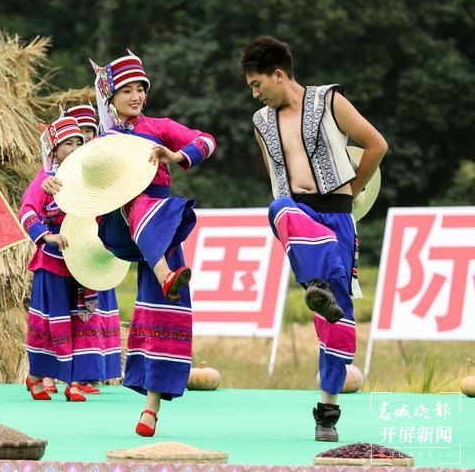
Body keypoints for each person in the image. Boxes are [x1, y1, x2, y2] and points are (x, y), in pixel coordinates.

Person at [49, 52, 217, 435]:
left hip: (162, 228)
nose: (137, 95)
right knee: (137, 201)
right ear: (111, 97)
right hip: (120, 229)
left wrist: (177, 155)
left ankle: (151, 408)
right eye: (127, 89)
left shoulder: (159, 127)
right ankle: (164, 272)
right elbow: (70, 175)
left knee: (159, 310)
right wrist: (54, 182)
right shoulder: (102, 143)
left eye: (141, 88)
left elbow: (206, 141)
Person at [239, 35, 388, 442]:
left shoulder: (328, 100)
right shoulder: (261, 122)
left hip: (338, 215)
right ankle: (318, 282)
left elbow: (376, 144)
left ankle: (327, 411)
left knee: (335, 317)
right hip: (299, 214)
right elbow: (276, 176)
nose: (254, 93)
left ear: (279, 74)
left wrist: (355, 187)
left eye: (257, 84)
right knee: (278, 209)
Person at [19, 115, 90, 402]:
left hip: (82, 259)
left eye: (78, 143)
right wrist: (46, 236)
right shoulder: (45, 180)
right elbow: (26, 211)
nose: (74, 149)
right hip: (52, 259)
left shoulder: (88, 177)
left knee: (81, 321)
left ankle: (75, 381)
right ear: (54, 149)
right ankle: (37, 375)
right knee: (50, 323)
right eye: (67, 144)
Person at [66, 104, 122, 390]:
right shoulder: (66, 171)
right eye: (78, 134)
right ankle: (77, 375)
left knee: (100, 310)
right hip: (75, 246)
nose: (84, 138)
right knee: (78, 314)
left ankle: (99, 371)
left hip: (98, 244)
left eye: (89, 131)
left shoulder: (100, 164)